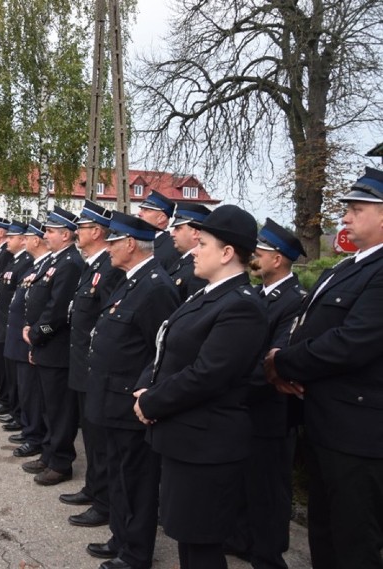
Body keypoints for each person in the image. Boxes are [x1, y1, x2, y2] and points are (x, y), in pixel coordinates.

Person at [134, 205, 268, 569]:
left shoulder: (240, 306)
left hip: (208, 444)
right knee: (186, 536)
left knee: (202, 543)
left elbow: (208, 374)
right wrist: (145, 385)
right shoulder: (208, 294)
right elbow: (167, 346)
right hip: (186, 437)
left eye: (203, 243)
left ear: (227, 253)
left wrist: (153, 402)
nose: (194, 249)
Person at [265, 167, 383, 569]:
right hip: (325, 424)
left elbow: (351, 343)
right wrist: (283, 354)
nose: (345, 218)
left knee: (353, 541)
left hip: (359, 435)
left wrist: (282, 361)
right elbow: (302, 322)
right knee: (324, 533)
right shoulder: (347, 267)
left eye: (355, 209)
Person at [83, 212, 180, 569]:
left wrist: (144, 393)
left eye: (112, 242)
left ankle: (136, 554)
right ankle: (121, 538)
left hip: (129, 401)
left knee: (137, 480)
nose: (107, 249)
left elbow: (161, 351)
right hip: (111, 398)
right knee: (120, 476)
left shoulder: (156, 286)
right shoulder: (131, 280)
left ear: (129, 244)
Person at [224, 218, 307, 569]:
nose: (254, 257)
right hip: (246, 407)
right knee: (244, 482)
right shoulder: (257, 294)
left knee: (269, 490)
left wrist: (233, 375)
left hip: (272, 412)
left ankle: (269, 556)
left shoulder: (295, 301)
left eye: (261, 252)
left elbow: (276, 358)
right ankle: (243, 541)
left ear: (279, 259)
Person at [62, 201, 125, 530]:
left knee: (100, 439)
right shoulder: (92, 265)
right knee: (91, 434)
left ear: (97, 232)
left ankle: (103, 502)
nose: (77, 232)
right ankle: (94, 487)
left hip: (93, 365)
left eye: (82, 228)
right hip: (82, 363)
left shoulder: (110, 268)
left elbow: (106, 321)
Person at [20, 206, 84, 486]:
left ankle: (60, 462)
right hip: (44, 345)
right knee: (48, 405)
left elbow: (58, 313)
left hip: (56, 346)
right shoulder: (53, 261)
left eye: (50, 231)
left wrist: (37, 334)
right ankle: (48, 453)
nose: (45, 234)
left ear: (66, 234)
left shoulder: (70, 263)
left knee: (59, 410)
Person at [4, 220, 49, 456]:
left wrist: (37, 334)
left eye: (27, 236)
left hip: (32, 339)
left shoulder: (47, 267)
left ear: (35, 240)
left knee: (32, 392)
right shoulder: (34, 267)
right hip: (21, 337)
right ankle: (29, 429)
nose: (23, 240)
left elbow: (53, 313)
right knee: (25, 389)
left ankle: (34, 435)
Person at [0, 221, 33, 418]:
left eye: (10, 238)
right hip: (5, 321)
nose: (7, 241)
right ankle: (10, 404)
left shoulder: (25, 262)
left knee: (15, 373)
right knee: (6, 368)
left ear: (23, 240)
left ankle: (15, 410)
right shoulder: (13, 260)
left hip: (14, 325)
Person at [168, 204, 211, 300]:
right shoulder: (182, 261)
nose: (172, 234)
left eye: (178, 228)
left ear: (195, 233)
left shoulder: (199, 268)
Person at [137, 190, 180, 271]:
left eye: (146, 210)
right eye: (141, 209)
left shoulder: (171, 248)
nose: (139, 213)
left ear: (161, 218)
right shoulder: (141, 242)